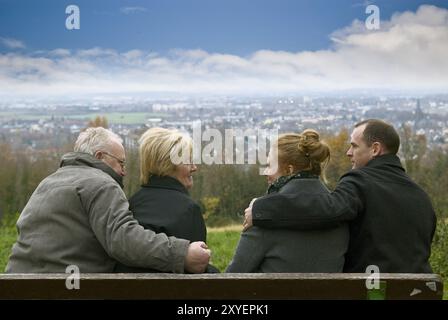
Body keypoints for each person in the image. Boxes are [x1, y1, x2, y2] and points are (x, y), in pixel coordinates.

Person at [6, 127, 210, 273]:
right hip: (70, 287)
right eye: (121, 162)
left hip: (18, 284)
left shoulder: (49, 181)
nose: (124, 170)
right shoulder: (100, 183)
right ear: (100, 156)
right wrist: (182, 253)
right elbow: (123, 240)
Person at [243, 119, 436, 273]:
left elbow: (327, 209)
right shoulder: (421, 197)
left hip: (371, 291)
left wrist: (261, 209)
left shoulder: (361, 182)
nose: (348, 152)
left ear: (375, 149)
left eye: (354, 146)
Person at [226, 130, 349, 273]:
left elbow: (234, 277)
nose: (265, 172)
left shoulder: (263, 217)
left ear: (289, 170)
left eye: (269, 165)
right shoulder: (341, 214)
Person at [115, 127, 219, 273]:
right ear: (168, 164)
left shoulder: (131, 203)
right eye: (188, 161)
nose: (194, 167)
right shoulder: (188, 210)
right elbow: (196, 268)